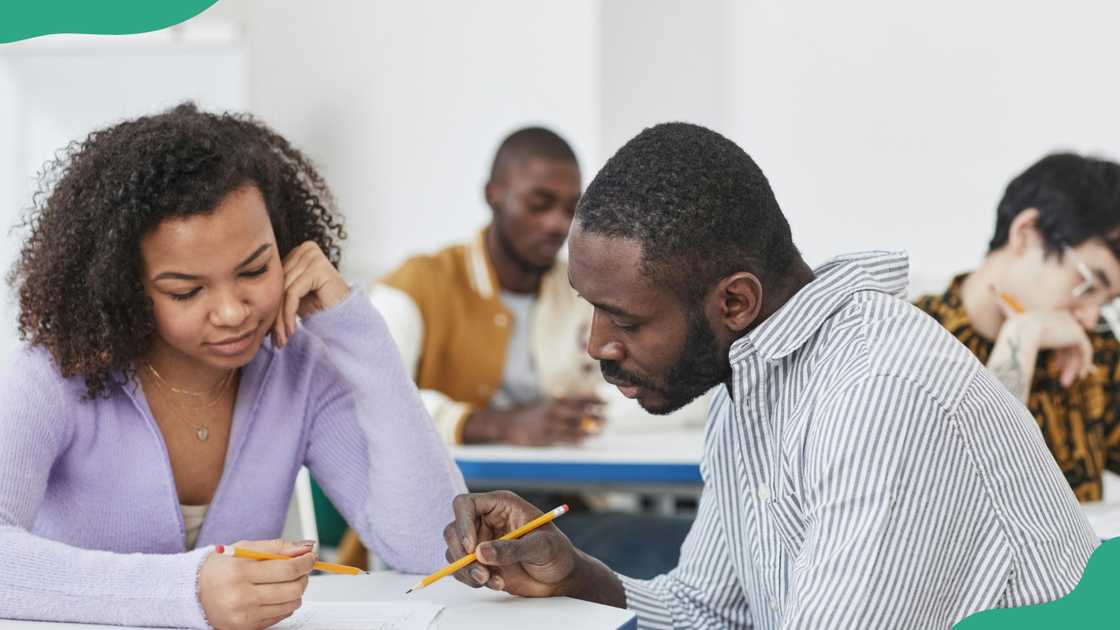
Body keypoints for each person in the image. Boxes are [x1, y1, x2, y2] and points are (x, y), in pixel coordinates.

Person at [440, 123, 1097, 628]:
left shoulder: (877, 392)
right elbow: (707, 612)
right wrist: (572, 575)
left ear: (735, 302)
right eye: (591, 309)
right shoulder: (749, 382)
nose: (596, 345)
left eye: (626, 321)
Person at [0, 103, 464, 630]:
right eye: (186, 291)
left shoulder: (300, 366)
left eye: (254, 270)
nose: (232, 312)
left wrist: (359, 332)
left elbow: (434, 547)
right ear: (123, 286)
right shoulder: (55, 373)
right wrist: (185, 591)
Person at [337, 126, 705, 575]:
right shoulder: (417, 285)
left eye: (570, 209)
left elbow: (660, 379)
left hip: (561, 515)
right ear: (493, 195)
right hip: (446, 526)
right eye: (539, 204)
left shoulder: (582, 290)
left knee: (692, 547)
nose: (556, 223)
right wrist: (497, 424)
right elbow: (362, 398)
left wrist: (582, 415)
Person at [914, 153, 1120, 502]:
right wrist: (1022, 336)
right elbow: (963, 497)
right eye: (1088, 285)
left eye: (1106, 302)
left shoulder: (1093, 348)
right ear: (1025, 233)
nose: (1089, 318)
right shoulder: (909, 340)